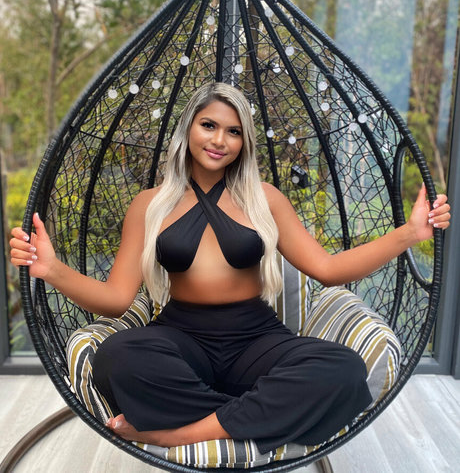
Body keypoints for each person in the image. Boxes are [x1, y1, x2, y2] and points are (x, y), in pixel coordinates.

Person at [10, 82, 450, 454]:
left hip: (256, 339)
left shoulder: (264, 198)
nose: (219, 140)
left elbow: (329, 269)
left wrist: (409, 234)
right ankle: (257, 413)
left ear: (244, 142)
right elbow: (115, 300)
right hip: (181, 336)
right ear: (188, 129)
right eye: (209, 125)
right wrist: (51, 269)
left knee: (343, 369)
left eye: (233, 131)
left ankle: (175, 433)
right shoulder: (149, 204)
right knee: (115, 357)